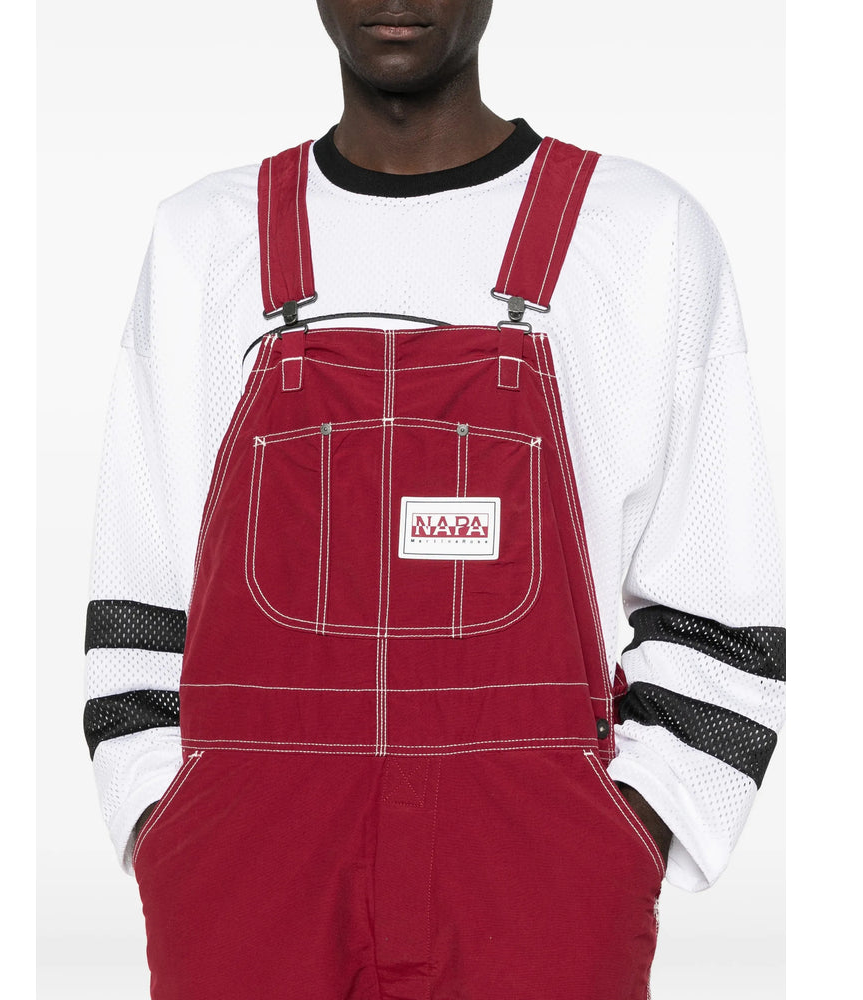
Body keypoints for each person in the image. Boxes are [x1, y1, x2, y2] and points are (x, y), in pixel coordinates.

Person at [83, 2, 785, 996]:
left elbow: (724, 595)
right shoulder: (204, 236)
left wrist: (632, 829)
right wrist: (162, 819)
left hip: (535, 867)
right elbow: (139, 579)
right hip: (249, 867)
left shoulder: (641, 230)